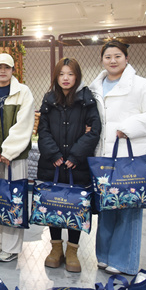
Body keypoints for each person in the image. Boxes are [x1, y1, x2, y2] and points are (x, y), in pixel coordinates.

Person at [89, 40, 146, 276]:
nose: (112, 61)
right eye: (108, 56)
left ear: (126, 58)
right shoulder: (95, 87)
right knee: (107, 207)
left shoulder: (141, 85)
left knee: (128, 208)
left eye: (117, 56)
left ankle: (123, 261)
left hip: (129, 156)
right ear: (102, 60)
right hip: (104, 157)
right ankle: (104, 256)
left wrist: (128, 127)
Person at [37, 58, 101, 272]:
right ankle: (56, 248)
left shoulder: (86, 100)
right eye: (61, 74)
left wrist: (75, 155)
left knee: (76, 205)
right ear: (56, 77)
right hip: (52, 164)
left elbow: (94, 130)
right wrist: (53, 153)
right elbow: (43, 130)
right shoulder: (49, 99)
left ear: (77, 77)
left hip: (77, 164)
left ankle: (73, 250)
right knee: (52, 203)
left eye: (70, 74)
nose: (66, 78)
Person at [0, 53, 35, 263]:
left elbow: (24, 124)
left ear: (13, 70)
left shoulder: (23, 92)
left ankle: (10, 247)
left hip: (15, 158)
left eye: (7, 67)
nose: (3, 71)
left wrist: (9, 152)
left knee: (13, 199)